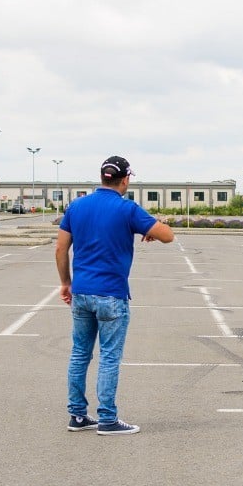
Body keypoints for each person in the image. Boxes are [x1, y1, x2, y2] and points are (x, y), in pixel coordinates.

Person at [55, 156, 175, 435]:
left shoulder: (77, 206)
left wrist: (65, 282)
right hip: (111, 295)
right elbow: (168, 235)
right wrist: (151, 229)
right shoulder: (127, 209)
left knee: (79, 354)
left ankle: (78, 415)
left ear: (102, 177)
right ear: (125, 179)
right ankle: (107, 419)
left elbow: (61, 249)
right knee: (109, 357)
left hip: (82, 292)